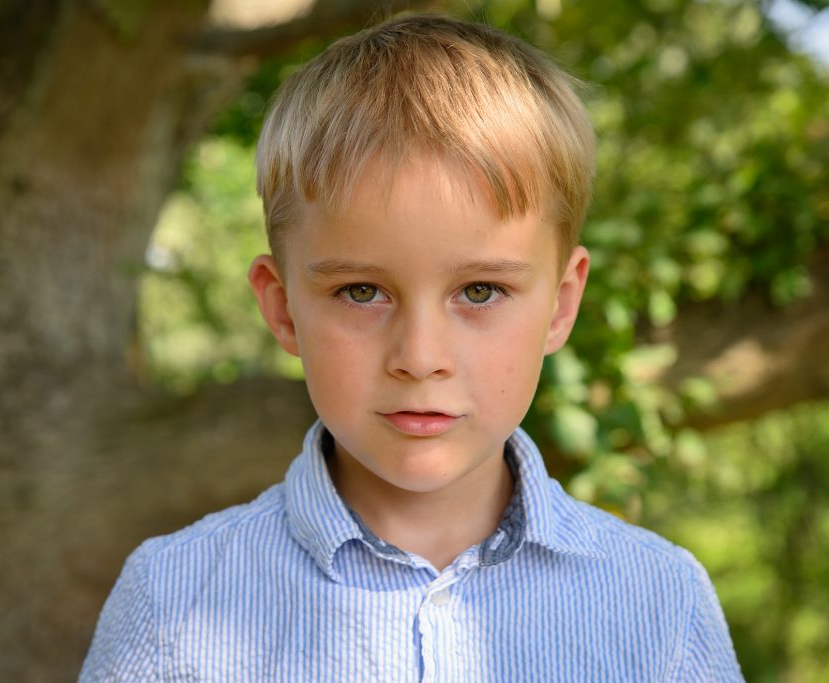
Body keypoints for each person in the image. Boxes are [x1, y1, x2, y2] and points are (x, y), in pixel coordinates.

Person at [79, 13, 743, 681]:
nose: (421, 356)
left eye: (480, 291)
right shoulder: (172, 604)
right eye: (362, 291)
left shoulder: (661, 603)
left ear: (561, 305)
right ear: (281, 306)